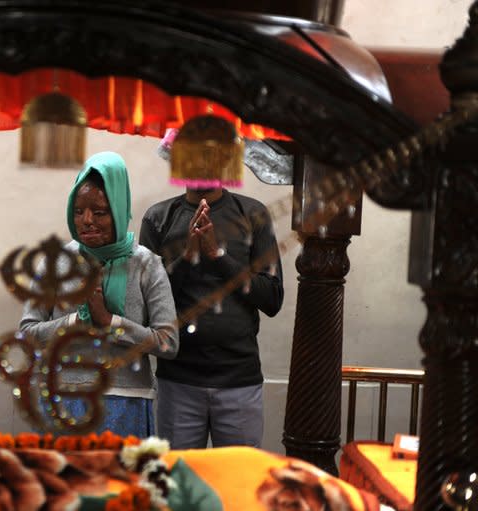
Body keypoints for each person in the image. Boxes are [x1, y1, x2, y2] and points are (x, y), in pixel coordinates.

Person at [20, 151, 179, 438]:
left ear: (118, 210)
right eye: (78, 211)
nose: (87, 220)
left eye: (100, 212)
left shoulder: (146, 264)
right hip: (61, 400)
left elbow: (168, 343)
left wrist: (111, 322)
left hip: (125, 402)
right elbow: (28, 334)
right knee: (65, 483)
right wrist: (73, 324)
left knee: (118, 483)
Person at [139, 178, 284, 449]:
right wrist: (188, 257)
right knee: (179, 483)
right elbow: (144, 304)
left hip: (238, 380)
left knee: (237, 485)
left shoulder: (253, 215)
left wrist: (218, 256)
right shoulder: (158, 218)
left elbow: (272, 298)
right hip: (178, 380)